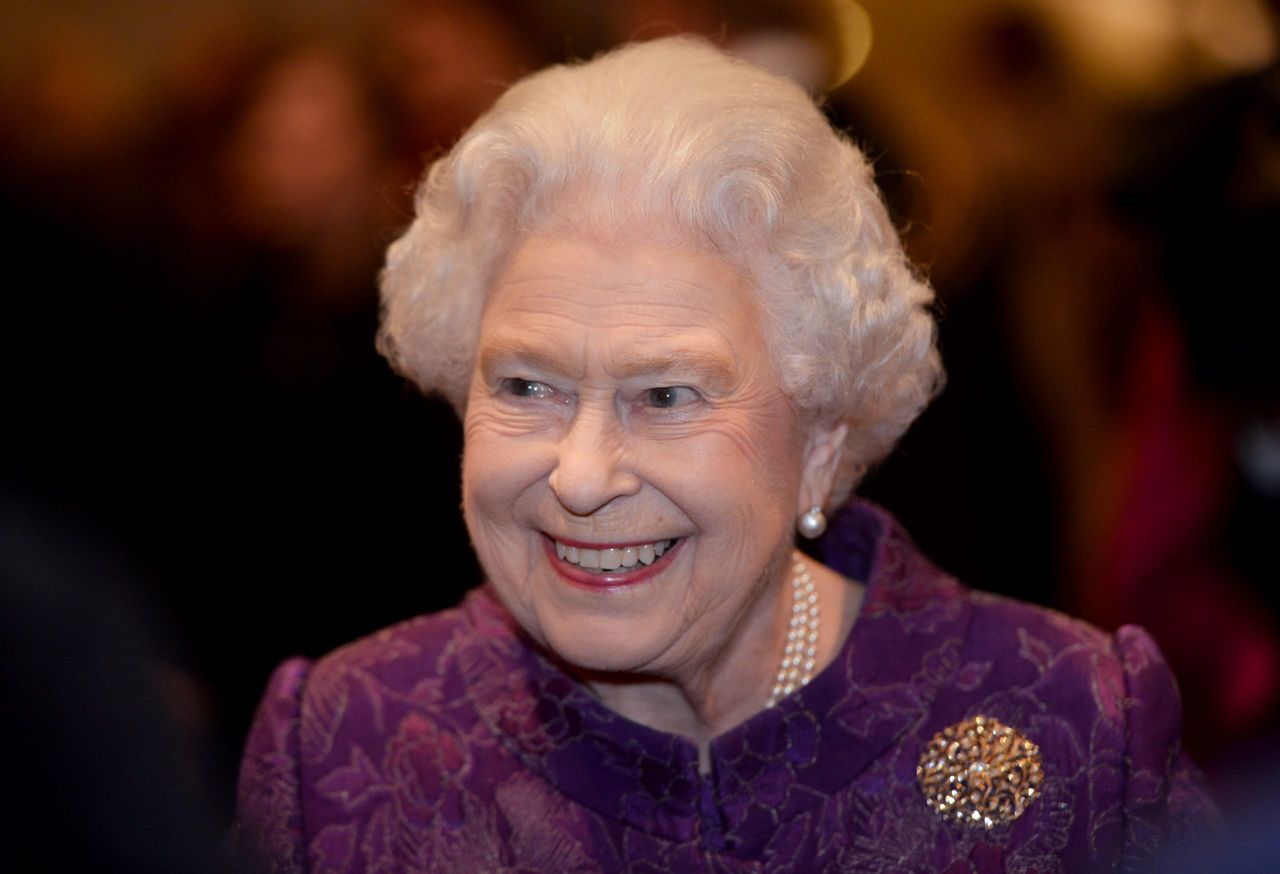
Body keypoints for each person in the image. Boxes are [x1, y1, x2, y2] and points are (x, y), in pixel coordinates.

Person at [234, 37, 1216, 872]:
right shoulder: (341, 749)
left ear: (820, 440)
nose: (578, 476)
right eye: (525, 387)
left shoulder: (1068, 718)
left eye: (664, 396)